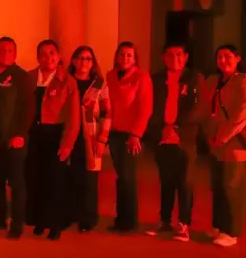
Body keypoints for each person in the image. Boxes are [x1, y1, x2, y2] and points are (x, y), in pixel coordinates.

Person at [146, 42, 205, 242]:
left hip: (184, 138)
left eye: (179, 54)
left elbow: (199, 107)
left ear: (186, 56)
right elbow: (150, 106)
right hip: (163, 137)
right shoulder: (156, 79)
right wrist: (162, 129)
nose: (175, 58)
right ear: (164, 58)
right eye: (170, 55)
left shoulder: (194, 78)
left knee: (185, 181)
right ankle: (164, 221)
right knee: (166, 181)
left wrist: (176, 127)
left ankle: (184, 224)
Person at [205, 45, 246, 247]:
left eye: (227, 56)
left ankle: (231, 231)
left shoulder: (245, 81)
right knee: (218, 187)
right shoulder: (214, 80)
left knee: (235, 189)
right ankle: (219, 226)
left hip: (239, 146)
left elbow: (243, 113)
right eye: (219, 57)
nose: (223, 60)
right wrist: (211, 136)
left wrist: (224, 136)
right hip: (217, 143)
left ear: (238, 58)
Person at [26, 40, 79, 240]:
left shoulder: (67, 81)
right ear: (38, 57)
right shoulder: (30, 77)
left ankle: (55, 224)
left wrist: (67, 144)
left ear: (58, 56)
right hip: (34, 135)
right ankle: (40, 220)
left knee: (55, 181)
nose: (48, 58)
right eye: (43, 54)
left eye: (52, 53)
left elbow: (74, 118)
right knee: (36, 179)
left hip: (56, 135)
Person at [0, 37, 34, 239]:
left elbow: (28, 109)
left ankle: (17, 224)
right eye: (2, 50)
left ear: (15, 54)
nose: (5, 53)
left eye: (10, 50)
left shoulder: (21, 77)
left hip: (15, 140)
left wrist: (21, 134)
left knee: (16, 183)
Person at [106, 41, 153, 234]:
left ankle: (129, 222)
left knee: (128, 178)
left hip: (131, 134)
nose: (125, 58)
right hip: (114, 132)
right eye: (122, 54)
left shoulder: (142, 77)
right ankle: (121, 219)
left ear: (135, 59)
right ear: (116, 56)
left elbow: (145, 108)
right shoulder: (110, 76)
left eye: (129, 55)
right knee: (121, 177)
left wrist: (136, 134)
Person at [66, 46, 111, 233]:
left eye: (88, 59)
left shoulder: (100, 84)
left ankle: (88, 218)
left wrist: (102, 139)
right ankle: (70, 214)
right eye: (81, 58)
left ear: (93, 63)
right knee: (70, 176)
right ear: (74, 61)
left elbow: (107, 113)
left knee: (89, 179)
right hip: (69, 135)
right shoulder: (66, 82)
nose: (84, 62)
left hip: (91, 137)